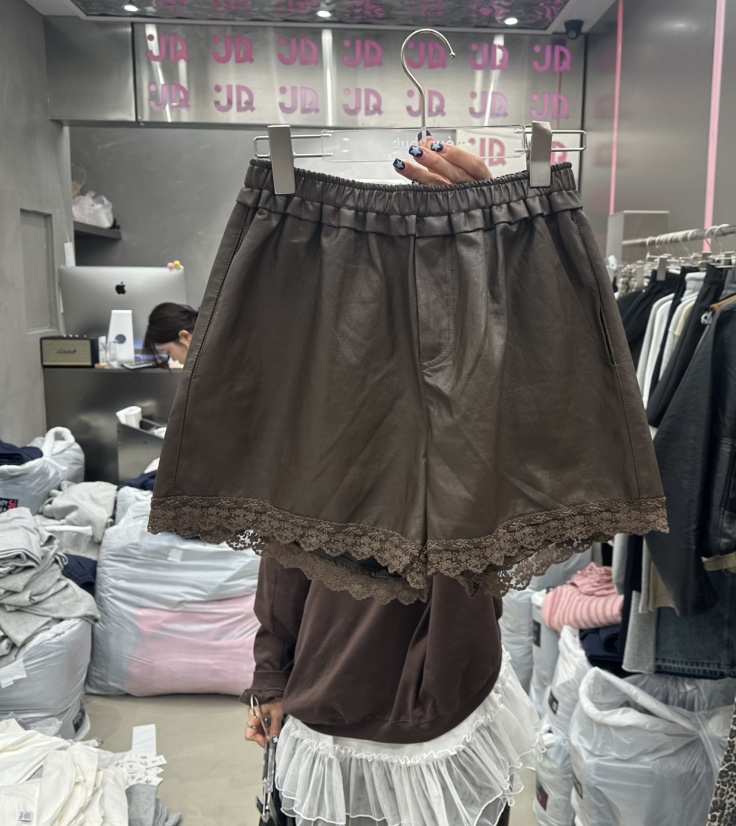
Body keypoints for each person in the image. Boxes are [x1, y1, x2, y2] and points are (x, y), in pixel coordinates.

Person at [242, 140, 534, 826]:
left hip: (450, 690)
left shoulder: (485, 383)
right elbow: (284, 556)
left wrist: (496, 241)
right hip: (342, 693)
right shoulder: (323, 401)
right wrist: (270, 674)